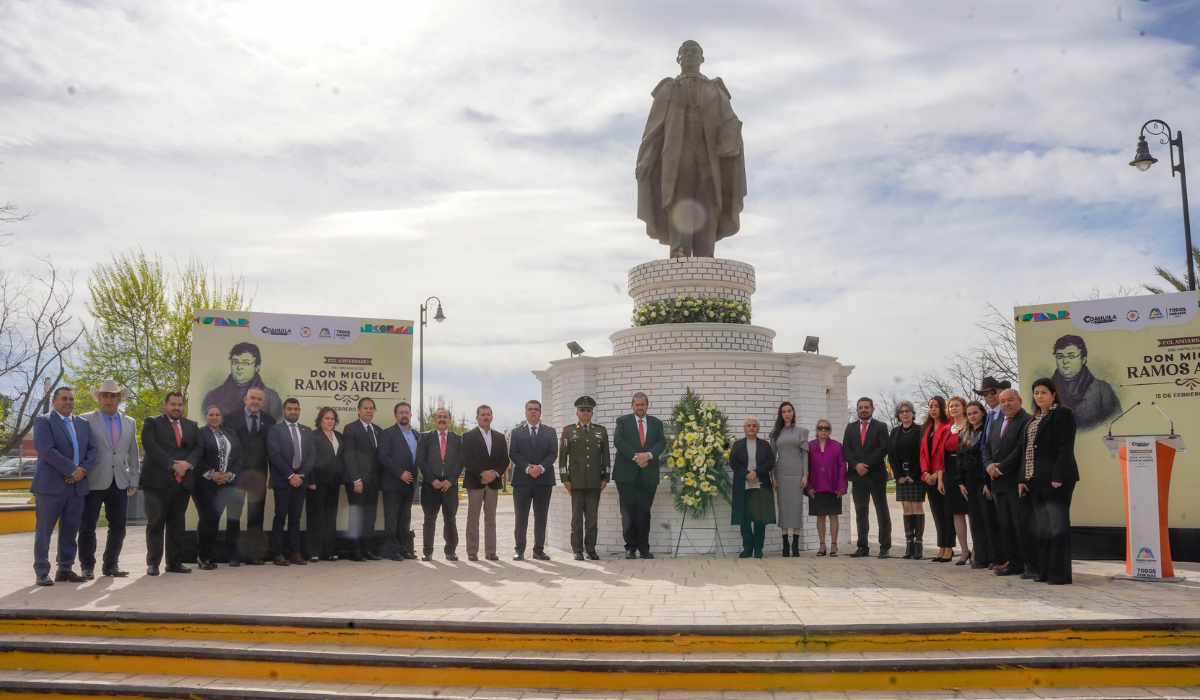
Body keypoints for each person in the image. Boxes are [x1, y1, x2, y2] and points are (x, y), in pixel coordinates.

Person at [635, 40, 746, 258]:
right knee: (680, 199)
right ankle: (680, 252)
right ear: (678, 59)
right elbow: (654, 129)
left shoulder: (715, 88)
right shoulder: (668, 88)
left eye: (694, 52)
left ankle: (705, 253)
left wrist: (730, 142)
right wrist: (647, 157)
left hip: (708, 152)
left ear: (702, 59)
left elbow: (730, 120)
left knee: (708, 199)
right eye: (684, 52)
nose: (689, 55)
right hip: (677, 153)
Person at [31, 387, 97, 586]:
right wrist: (71, 470)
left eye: (71, 399)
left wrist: (81, 471)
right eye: (64, 398)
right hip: (51, 486)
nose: (68, 402)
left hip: (77, 486)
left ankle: (65, 568)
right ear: (54, 401)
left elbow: (92, 450)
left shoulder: (83, 424)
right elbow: (46, 450)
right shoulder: (44, 421)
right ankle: (42, 570)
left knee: (70, 529)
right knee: (44, 530)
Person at [1017, 377, 1080, 585]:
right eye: (1036, 393)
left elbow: (1066, 448)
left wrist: (1058, 477)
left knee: (1057, 527)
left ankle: (1059, 575)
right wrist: (1024, 478)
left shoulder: (1063, 414)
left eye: (1044, 392)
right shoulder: (1033, 418)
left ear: (1053, 394)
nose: (1039, 396)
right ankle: (1044, 572)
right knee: (1043, 528)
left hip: (1056, 481)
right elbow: (1026, 451)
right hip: (1035, 481)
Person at [78, 380, 140, 579]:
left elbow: (133, 452)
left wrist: (134, 479)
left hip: (120, 481)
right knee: (87, 525)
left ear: (119, 399)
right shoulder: (84, 420)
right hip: (93, 479)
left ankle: (111, 565)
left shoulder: (129, 422)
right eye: (105, 395)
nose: (109, 399)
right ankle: (87, 566)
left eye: (113, 395)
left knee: (119, 526)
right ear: (99, 398)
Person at [141, 392, 201, 576]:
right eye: (173, 404)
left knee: (177, 524)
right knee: (155, 524)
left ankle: (174, 562)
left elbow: (198, 448)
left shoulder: (192, 426)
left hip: (182, 484)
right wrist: (173, 465)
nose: (177, 408)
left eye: (180, 404)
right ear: (165, 405)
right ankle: (153, 563)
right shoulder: (152, 422)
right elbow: (150, 446)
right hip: (157, 483)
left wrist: (187, 464)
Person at [985, 389, 1037, 578]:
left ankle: (1032, 565)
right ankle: (1014, 563)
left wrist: (1001, 468)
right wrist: (989, 465)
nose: (1006, 404)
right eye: (1003, 401)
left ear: (1020, 401)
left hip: (1017, 481)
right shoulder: (997, 422)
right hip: (999, 483)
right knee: (1005, 526)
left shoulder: (1028, 421)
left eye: (1010, 400)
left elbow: (1020, 449)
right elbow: (986, 447)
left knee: (1022, 526)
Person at [613, 392, 666, 559]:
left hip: (648, 475)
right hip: (626, 475)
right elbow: (618, 441)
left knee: (644, 512)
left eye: (643, 405)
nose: (640, 407)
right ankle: (630, 548)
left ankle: (643, 547)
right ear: (632, 405)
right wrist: (637, 457)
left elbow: (661, 443)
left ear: (647, 405)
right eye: (637, 405)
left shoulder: (656, 423)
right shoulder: (622, 421)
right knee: (628, 512)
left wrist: (648, 455)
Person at [227, 387, 276, 565]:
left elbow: (272, 451)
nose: (255, 402)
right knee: (234, 515)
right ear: (245, 399)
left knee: (256, 516)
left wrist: (272, 475)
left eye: (259, 399)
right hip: (236, 474)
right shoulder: (231, 418)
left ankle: (253, 554)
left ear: (263, 402)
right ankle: (233, 555)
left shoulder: (270, 421)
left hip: (259, 475)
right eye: (252, 398)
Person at [191, 405, 244, 570]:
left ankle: (233, 557)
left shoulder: (230, 433)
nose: (214, 417)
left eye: (217, 414)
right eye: (211, 414)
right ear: (205, 416)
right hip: (206, 484)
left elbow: (239, 456)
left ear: (222, 417)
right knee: (209, 521)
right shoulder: (199, 433)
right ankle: (204, 558)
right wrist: (212, 474)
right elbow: (196, 457)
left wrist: (230, 475)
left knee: (233, 520)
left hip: (230, 483)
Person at [559, 396, 610, 561]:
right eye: (582, 410)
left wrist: (605, 478)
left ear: (592, 413)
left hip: (595, 481)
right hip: (576, 481)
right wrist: (565, 479)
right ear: (577, 413)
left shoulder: (600, 431)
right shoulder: (568, 430)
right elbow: (562, 457)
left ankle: (591, 549)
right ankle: (577, 550)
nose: (585, 413)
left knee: (592, 518)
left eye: (588, 410)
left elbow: (606, 457)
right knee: (576, 519)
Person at [266, 398, 315, 566]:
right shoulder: (275, 430)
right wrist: (290, 475)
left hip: (301, 480)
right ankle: (278, 554)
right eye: (289, 409)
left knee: (295, 519)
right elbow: (274, 455)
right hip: (282, 480)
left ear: (299, 410)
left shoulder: (307, 430)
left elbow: (311, 456)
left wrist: (300, 475)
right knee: (280, 517)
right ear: (283, 411)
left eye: (296, 409)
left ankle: (295, 553)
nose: (293, 412)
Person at [508, 399, 557, 561]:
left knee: (541, 516)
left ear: (540, 412)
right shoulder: (516, 432)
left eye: (536, 409)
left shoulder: (550, 432)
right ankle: (520, 550)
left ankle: (538, 550)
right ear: (525, 412)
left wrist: (540, 468)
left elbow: (553, 453)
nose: (533, 411)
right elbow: (513, 453)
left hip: (544, 480)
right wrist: (528, 468)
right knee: (521, 516)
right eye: (530, 409)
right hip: (522, 480)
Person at [843, 397, 891, 558]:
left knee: (881, 511)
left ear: (872, 409)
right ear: (857, 410)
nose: (863, 410)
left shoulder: (881, 427)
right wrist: (856, 465)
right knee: (860, 512)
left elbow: (883, 448)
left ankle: (884, 546)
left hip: (875, 475)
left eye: (866, 407)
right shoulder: (850, 428)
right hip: (858, 477)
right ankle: (862, 546)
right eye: (860, 407)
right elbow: (846, 450)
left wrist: (866, 465)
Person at [462, 405, 510, 562]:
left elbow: (505, 459)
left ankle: (490, 551)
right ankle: (472, 551)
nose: (486, 417)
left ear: (492, 417)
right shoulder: (468, 436)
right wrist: (482, 473)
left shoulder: (499, 437)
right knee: (473, 518)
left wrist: (494, 474)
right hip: (475, 482)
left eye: (488, 415)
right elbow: (466, 459)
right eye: (482, 415)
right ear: (477, 418)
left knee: (491, 518)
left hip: (493, 483)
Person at [415, 407, 463, 561]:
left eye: (445, 417)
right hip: (431, 486)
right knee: (429, 519)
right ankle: (427, 551)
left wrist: (451, 480)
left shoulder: (458, 438)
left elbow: (461, 461)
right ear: (434, 420)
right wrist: (432, 480)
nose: (442, 419)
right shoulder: (425, 437)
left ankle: (450, 551)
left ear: (450, 420)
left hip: (450, 486)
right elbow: (421, 460)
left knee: (450, 519)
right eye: (439, 417)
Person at [959, 401, 1002, 570]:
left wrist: (987, 481)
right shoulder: (964, 433)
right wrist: (960, 482)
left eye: (975, 413)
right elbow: (960, 459)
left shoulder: (987, 430)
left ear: (983, 413)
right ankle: (981, 557)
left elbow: (988, 455)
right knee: (976, 521)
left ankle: (995, 557)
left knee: (989, 519)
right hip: (969, 481)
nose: (972, 416)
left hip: (983, 480)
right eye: (969, 414)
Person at [1049, 335, 1120, 432]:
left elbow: (1117, 423)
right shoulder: (1045, 390)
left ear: (1083, 359)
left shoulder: (1102, 389)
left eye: (1071, 356)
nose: (1065, 361)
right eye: (1060, 356)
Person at [342, 397, 384, 561]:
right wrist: (356, 479)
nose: (368, 411)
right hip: (357, 482)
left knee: (370, 517)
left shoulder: (378, 430)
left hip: (373, 482)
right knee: (356, 517)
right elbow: (349, 455)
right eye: (365, 408)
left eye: (371, 408)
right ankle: (355, 551)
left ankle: (367, 549)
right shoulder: (351, 429)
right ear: (358, 410)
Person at [377, 402, 420, 561]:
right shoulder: (388, 433)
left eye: (407, 412)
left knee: (404, 518)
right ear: (395, 415)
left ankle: (403, 549)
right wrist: (400, 473)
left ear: (410, 415)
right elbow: (383, 457)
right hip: (393, 483)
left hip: (409, 484)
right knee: (391, 518)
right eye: (401, 412)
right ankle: (392, 550)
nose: (404, 415)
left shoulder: (416, 434)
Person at [729, 418, 776, 558]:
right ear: (744, 429)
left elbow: (770, 462)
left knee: (760, 519)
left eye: (754, 426)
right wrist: (747, 474)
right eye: (748, 426)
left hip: (760, 487)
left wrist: (756, 472)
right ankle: (747, 549)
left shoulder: (764, 445)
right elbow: (733, 462)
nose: (751, 428)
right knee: (744, 519)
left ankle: (758, 549)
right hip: (742, 487)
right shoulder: (737, 445)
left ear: (758, 429)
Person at [202, 341, 283, 421]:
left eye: (246, 363)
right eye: (235, 362)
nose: (239, 367)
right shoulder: (212, 396)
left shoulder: (271, 399)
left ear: (257, 367)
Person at [768, 401, 808, 558]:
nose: (786, 414)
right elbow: (772, 456)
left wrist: (806, 474)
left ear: (793, 412)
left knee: (796, 507)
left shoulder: (802, 431)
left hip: (797, 473)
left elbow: (805, 454)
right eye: (784, 411)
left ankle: (795, 544)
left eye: (789, 411)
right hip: (781, 473)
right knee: (784, 508)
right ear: (781, 414)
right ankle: (785, 544)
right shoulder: (775, 433)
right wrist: (772, 475)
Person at [888, 401, 925, 560]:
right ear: (898, 415)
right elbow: (891, 454)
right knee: (906, 509)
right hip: (901, 474)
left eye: (908, 411)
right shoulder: (895, 432)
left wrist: (915, 474)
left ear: (912, 413)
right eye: (902, 411)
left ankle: (918, 544)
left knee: (917, 507)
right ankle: (909, 544)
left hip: (916, 473)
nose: (905, 414)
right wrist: (898, 475)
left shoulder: (920, 430)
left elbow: (922, 453)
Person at [805, 419, 847, 557]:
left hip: (834, 487)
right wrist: (808, 486)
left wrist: (841, 485)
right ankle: (822, 545)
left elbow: (842, 466)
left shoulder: (837, 446)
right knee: (820, 516)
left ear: (830, 430)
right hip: (816, 486)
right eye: (820, 428)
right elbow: (805, 468)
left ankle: (834, 545)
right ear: (816, 430)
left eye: (826, 428)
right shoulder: (809, 446)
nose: (823, 430)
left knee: (833, 515)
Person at [307, 407, 344, 562]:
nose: (330, 421)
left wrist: (342, 479)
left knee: (331, 516)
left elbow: (341, 459)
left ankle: (330, 551)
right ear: (320, 419)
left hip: (334, 482)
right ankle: (313, 552)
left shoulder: (339, 436)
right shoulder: (313, 436)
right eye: (326, 418)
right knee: (316, 516)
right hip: (317, 482)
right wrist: (311, 480)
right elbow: (308, 459)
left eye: (332, 419)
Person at [919, 396, 952, 563]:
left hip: (943, 476)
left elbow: (942, 453)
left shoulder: (949, 426)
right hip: (929, 477)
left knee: (947, 513)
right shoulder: (926, 428)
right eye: (930, 406)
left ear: (942, 408)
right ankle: (941, 547)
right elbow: (923, 453)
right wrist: (925, 473)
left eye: (936, 406)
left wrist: (936, 474)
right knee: (937, 513)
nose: (933, 409)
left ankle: (949, 547)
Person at [941, 397, 972, 565]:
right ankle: (964, 550)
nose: (953, 408)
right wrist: (940, 479)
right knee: (957, 514)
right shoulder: (947, 429)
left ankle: (978, 551)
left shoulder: (970, 426)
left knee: (972, 513)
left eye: (956, 405)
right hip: (950, 474)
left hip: (968, 471)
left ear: (963, 407)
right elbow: (941, 456)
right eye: (950, 406)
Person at [976, 377, 1011, 446]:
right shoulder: (989, 416)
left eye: (992, 391)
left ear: (1001, 391)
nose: (989, 396)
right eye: (985, 393)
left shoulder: (1009, 413)